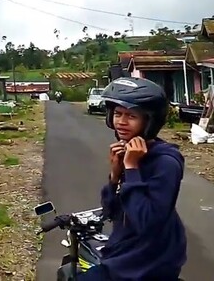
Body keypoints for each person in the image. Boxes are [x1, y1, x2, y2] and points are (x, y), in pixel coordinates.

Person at [79, 77, 186, 281]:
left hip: (148, 263)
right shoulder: (130, 152)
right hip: (125, 252)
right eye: (118, 114)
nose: (121, 121)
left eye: (131, 116)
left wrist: (132, 168)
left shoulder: (165, 162)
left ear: (149, 120)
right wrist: (115, 175)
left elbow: (146, 221)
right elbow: (110, 210)